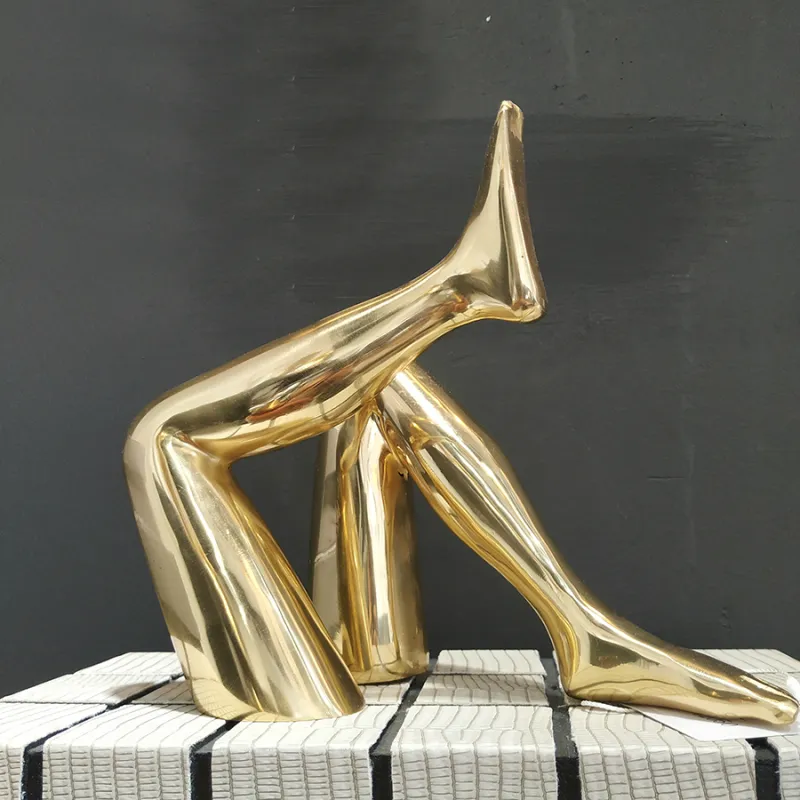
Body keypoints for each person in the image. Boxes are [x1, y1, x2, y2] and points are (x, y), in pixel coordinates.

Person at [124, 102, 796, 725]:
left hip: (353, 653)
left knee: (341, 396)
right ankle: (459, 291)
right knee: (181, 434)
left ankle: (559, 631)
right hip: (286, 696)